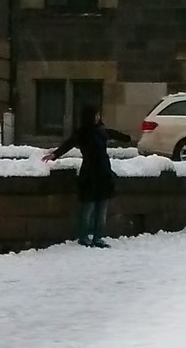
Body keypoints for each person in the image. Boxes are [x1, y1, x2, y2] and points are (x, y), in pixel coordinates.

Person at [42, 105, 129, 248]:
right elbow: (68, 144)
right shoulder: (82, 133)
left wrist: (128, 137)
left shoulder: (102, 131)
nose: (98, 117)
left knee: (102, 208)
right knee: (88, 207)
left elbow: (117, 135)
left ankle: (98, 237)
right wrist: (55, 154)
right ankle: (84, 237)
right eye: (96, 115)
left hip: (104, 172)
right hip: (89, 172)